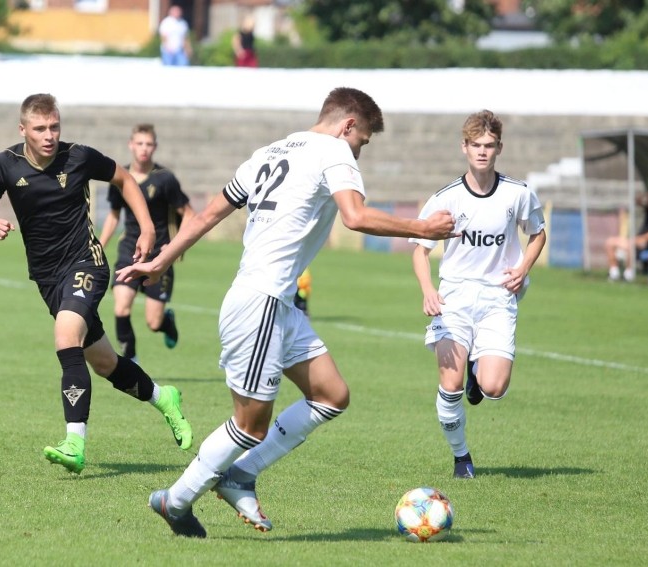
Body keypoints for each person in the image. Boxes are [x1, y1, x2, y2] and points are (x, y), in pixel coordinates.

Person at [116, 87, 455, 537]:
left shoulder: (271, 150)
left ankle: (240, 476)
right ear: (347, 125)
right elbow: (354, 216)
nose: (360, 151)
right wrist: (424, 228)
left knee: (332, 395)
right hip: (259, 301)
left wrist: (162, 259)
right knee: (249, 423)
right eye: (363, 141)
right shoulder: (335, 150)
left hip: (277, 304)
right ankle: (175, 500)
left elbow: (207, 216)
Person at [0, 94, 193, 476]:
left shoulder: (78, 157)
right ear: (22, 129)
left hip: (85, 262)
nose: (49, 135)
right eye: (40, 128)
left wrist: (144, 227)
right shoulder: (5, 165)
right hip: (46, 277)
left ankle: (74, 442)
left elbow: (123, 178)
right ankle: (164, 398)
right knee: (105, 363)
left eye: (54, 126)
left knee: (65, 338)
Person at [410, 110, 546, 479]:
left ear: (499, 147)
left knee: (494, 387)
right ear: (464, 147)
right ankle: (461, 459)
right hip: (453, 298)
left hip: (498, 298)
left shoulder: (518, 193)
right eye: (476, 145)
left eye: (489, 145)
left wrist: (523, 269)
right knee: (450, 386)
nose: (482, 152)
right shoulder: (446, 199)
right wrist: (427, 291)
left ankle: (477, 370)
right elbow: (420, 250)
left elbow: (537, 233)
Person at [99, 124, 195, 362]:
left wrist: (173, 248)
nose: (144, 149)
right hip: (129, 250)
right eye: (139, 143)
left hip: (159, 254)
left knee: (153, 322)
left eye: (149, 144)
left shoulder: (165, 179)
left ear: (155, 147)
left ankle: (166, 322)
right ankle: (131, 360)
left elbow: (190, 215)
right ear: (131, 145)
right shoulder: (120, 176)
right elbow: (113, 215)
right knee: (121, 307)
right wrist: (100, 245)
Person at [604, 191, 648, 282]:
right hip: (638, 239)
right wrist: (644, 197)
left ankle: (629, 274)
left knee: (630, 245)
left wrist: (640, 239)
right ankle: (614, 272)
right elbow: (638, 200)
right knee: (610, 242)